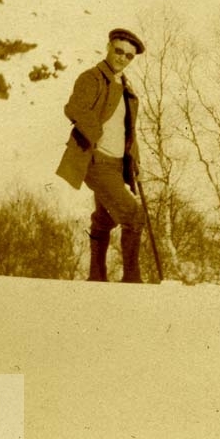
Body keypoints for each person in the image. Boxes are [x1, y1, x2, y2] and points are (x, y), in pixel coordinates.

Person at [55, 28, 146, 283]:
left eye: (129, 56)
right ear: (108, 47)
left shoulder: (126, 88)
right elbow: (74, 107)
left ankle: (96, 276)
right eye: (119, 51)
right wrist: (96, 135)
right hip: (96, 162)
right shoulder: (92, 78)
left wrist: (134, 159)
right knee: (134, 215)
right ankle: (132, 279)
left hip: (117, 164)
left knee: (105, 219)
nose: (122, 58)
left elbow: (128, 130)